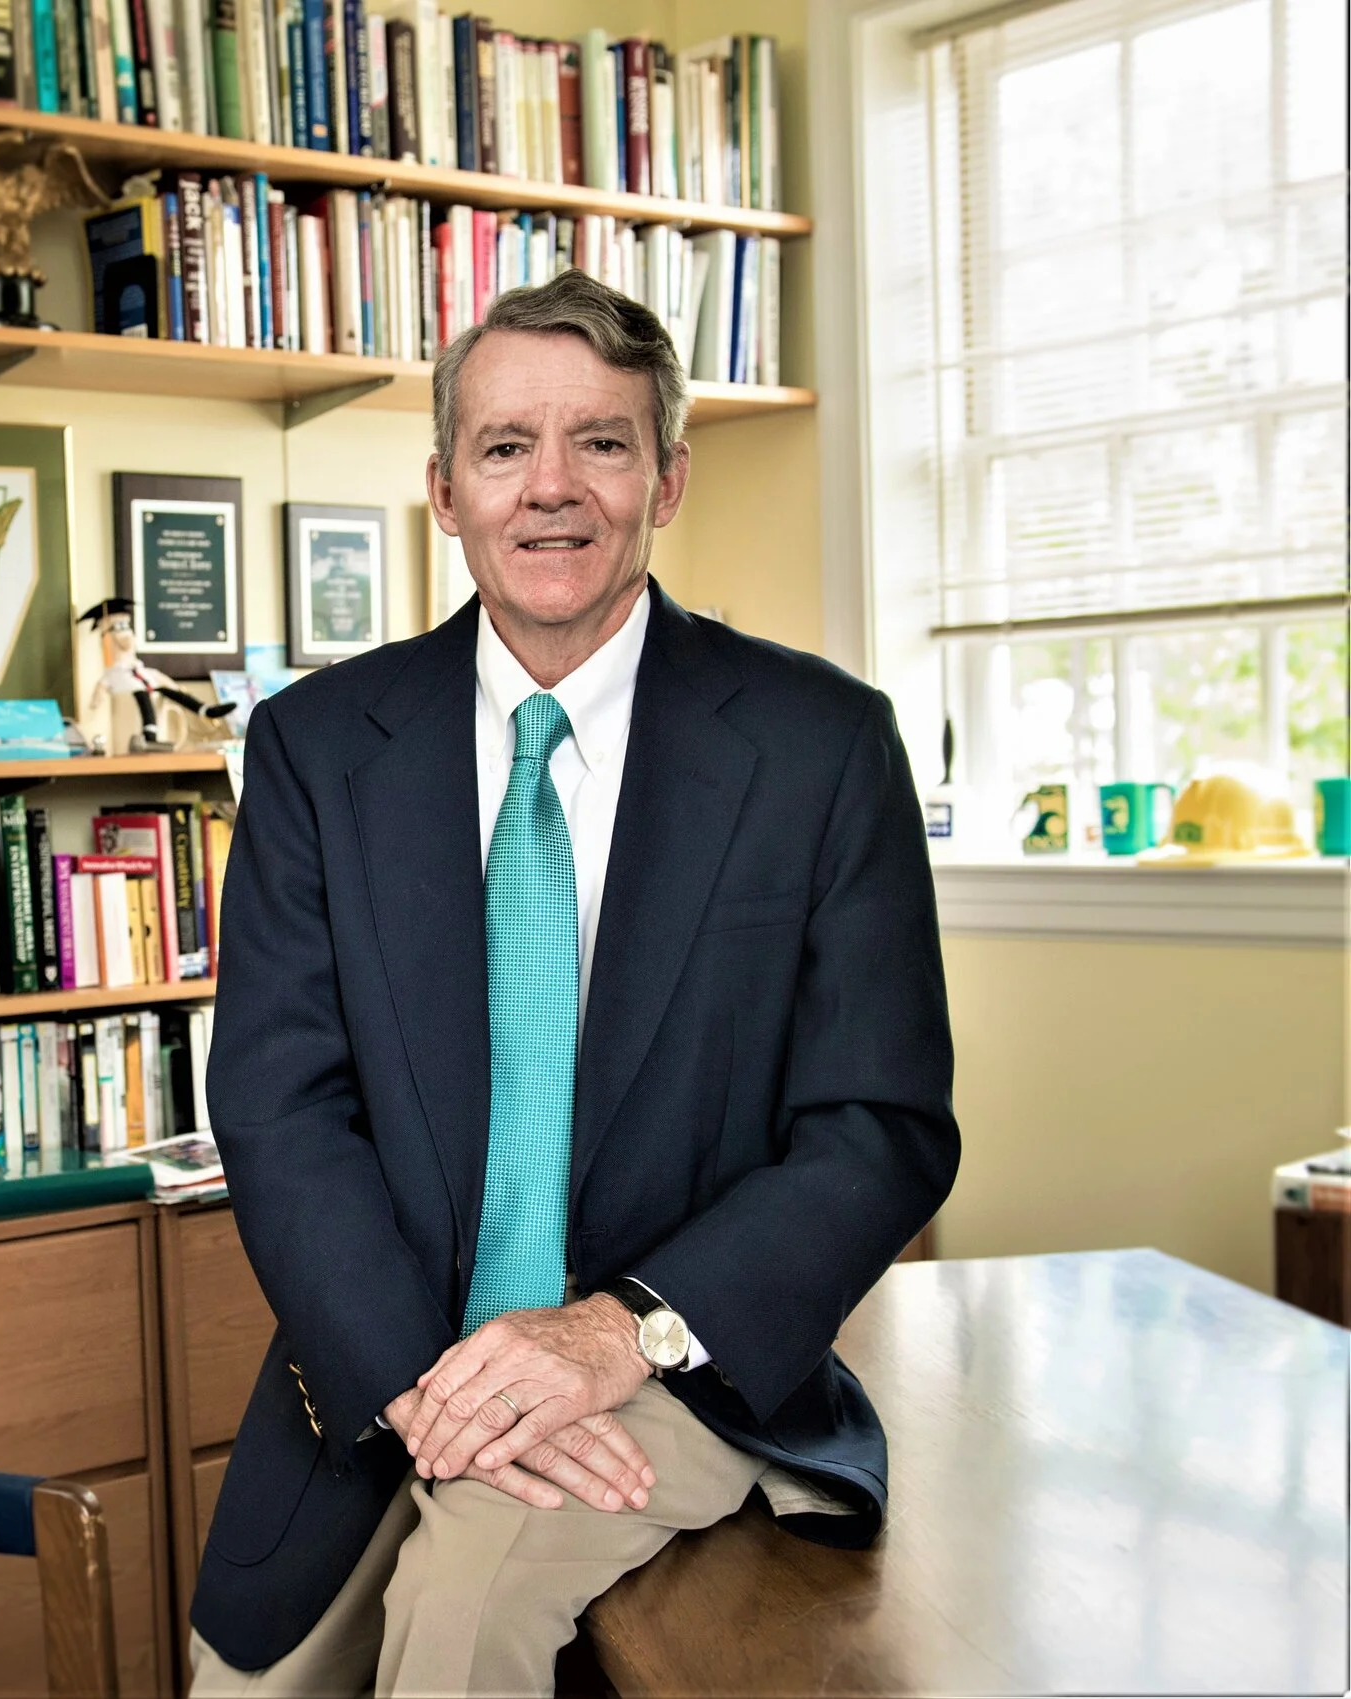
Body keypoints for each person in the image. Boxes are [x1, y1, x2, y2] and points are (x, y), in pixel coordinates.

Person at [191, 269, 959, 1696]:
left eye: (600, 442)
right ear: (443, 487)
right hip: (385, 1366)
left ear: (666, 480)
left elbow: (883, 1124)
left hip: (674, 1358)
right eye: (504, 448)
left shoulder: (821, 745)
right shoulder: (315, 749)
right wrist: (435, 1397)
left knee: (464, 1615)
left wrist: (617, 1331)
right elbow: (281, 1107)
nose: (552, 489)